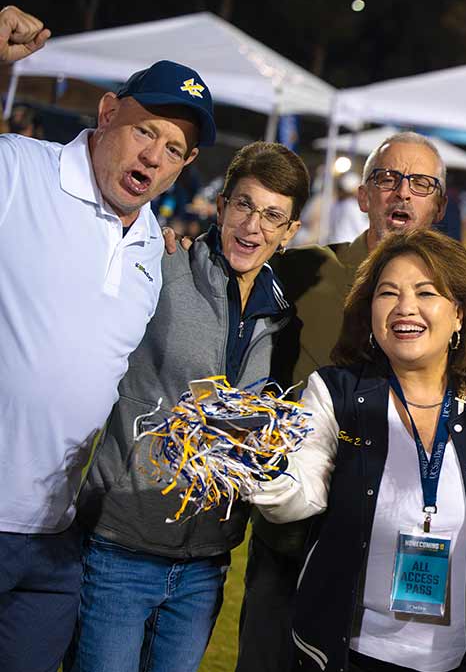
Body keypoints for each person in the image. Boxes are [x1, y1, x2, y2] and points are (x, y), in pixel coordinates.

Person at [0, 4, 216, 672]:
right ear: (105, 113)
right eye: (145, 131)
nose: (154, 156)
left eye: (175, 149)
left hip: (53, 535)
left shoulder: (155, 245)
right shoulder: (19, 171)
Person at [250, 228, 466, 672]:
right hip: (345, 655)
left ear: (459, 315)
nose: (404, 307)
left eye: (426, 292)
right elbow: (299, 493)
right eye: (387, 292)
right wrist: (254, 467)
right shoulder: (336, 393)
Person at [67, 142, 309, 672]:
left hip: (205, 565)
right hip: (120, 546)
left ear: (289, 233)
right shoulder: (161, 266)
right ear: (220, 207)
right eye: (244, 205)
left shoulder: (282, 321)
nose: (253, 226)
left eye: (273, 216)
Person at [234, 131, 450, 672]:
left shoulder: (456, 299)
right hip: (293, 532)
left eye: (420, 184)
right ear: (363, 194)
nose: (402, 193)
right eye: (387, 178)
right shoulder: (302, 270)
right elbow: (225, 280)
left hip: (392, 536)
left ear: (438, 205)